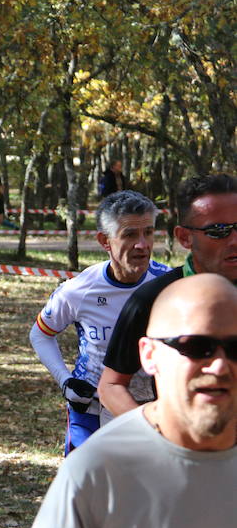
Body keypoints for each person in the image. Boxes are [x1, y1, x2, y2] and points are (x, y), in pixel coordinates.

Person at [14, 274, 237, 528]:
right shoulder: (97, 469)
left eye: (235, 347)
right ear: (149, 355)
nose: (221, 365)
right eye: (197, 346)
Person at [29, 191, 169, 454]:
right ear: (105, 241)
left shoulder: (169, 284)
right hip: (91, 409)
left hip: (153, 408)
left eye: (148, 233)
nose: (142, 244)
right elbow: (40, 334)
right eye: (129, 235)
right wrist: (66, 381)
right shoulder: (78, 290)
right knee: (89, 492)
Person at [99, 173, 237, 417]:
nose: (235, 240)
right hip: (188, 450)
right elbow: (111, 385)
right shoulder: (153, 299)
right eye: (219, 231)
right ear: (185, 237)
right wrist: (153, 435)